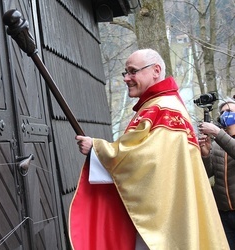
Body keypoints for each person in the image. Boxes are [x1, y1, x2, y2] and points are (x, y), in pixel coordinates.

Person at [69, 48, 229, 249]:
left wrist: (98, 148)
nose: (127, 78)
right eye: (125, 72)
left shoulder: (163, 108)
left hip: (162, 220)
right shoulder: (159, 105)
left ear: (156, 70)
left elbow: (150, 160)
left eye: (133, 71)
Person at [198, 99, 235, 249]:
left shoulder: (220, 139)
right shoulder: (217, 144)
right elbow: (207, 173)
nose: (225, 115)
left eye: (230, 112)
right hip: (223, 215)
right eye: (222, 113)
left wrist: (217, 133)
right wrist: (206, 154)